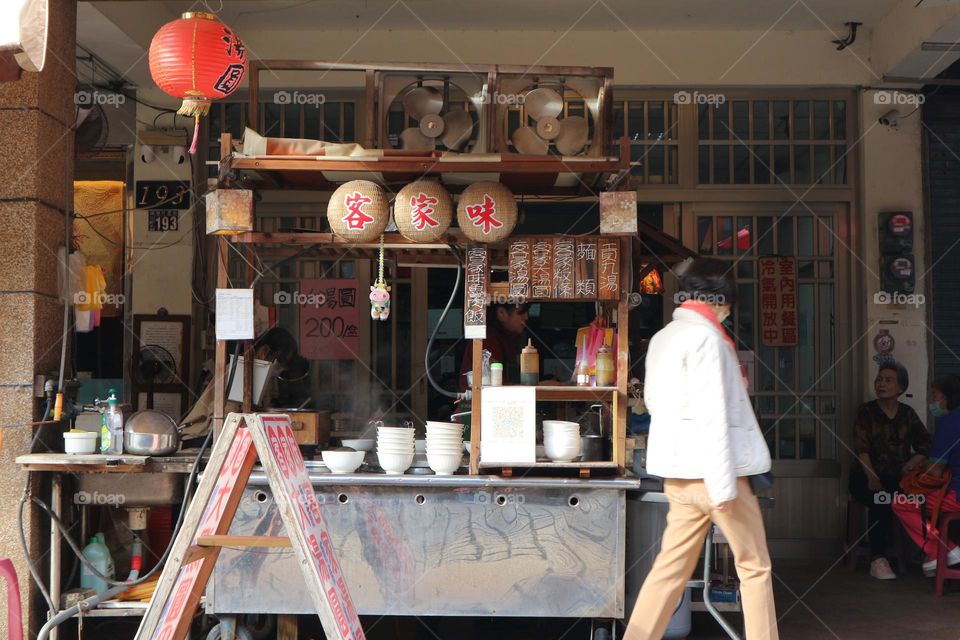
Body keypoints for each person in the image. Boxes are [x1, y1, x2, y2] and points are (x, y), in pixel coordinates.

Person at [624, 258, 778, 640]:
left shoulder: (664, 337)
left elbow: (656, 404)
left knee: (668, 571)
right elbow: (714, 415)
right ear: (719, 300)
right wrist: (724, 487)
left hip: (679, 477)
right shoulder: (709, 339)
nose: (727, 311)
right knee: (754, 568)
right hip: (716, 474)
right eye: (727, 303)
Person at [849, 362, 930, 580]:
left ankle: (927, 554)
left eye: (888, 380)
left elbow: (925, 444)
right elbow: (861, 448)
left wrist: (911, 463)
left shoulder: (907, 414)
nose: (881, 384)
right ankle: (878, 559)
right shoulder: (866, 411)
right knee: (881, 500)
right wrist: (871, 476)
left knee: (917, 501)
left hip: (897, 478)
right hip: (865, 477)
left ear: (901, 388)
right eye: (879, 379)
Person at [893, 374, 960, 577]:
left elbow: (935, 471)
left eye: (936, 396)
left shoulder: (949, 423)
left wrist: (919, 467)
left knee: (901, 502)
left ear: (949, 396)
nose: (933, 402)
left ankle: (944, 550)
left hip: (957, 496)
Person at [459, 302, 529, 389]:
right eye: (521, 312)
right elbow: (492, 384)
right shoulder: (487, 341)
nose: (526, 317)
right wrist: (536, 388)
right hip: (479, 401)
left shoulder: (507, 339)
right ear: (502, 313)